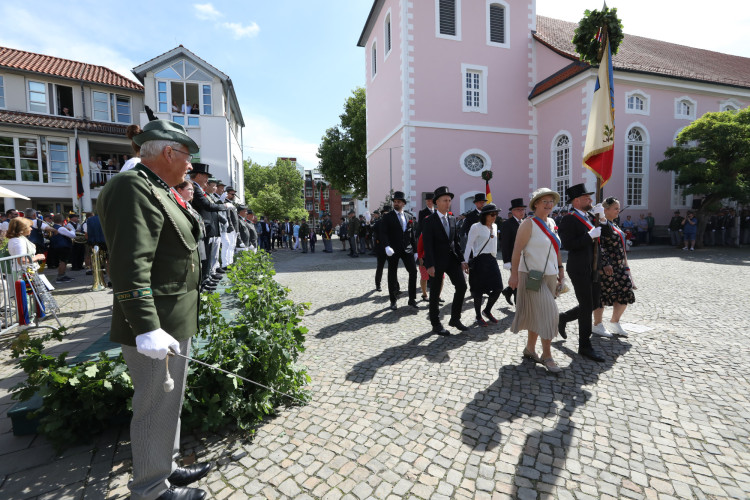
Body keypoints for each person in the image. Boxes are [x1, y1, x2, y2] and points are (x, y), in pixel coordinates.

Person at [99, 119, 210, 500]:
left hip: (172, 320)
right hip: (155, 325)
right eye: (187, 158)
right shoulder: (134, 187)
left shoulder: (157, 189)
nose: (189, 166)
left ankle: (165, 466)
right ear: (168, 152)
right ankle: (150, 490)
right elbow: (131, 263)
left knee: (168, 402)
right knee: (153, 406)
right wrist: (146, 325)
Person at [508, 188, 565, 373]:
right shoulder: (528, 224)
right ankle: (546, 355)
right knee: (549, 313)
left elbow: (555, 250)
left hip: (549, 275)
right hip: (532, 276)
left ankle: (530, 349)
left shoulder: (552, 222)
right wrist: (514, 275)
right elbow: (516, 251)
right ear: (536, 204)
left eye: (551, 201)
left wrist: (561, 271)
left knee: (538, 313)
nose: (549, 205)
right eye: (545, 202)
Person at [557, 183, 606, 362]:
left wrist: (602, 220)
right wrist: (589, 236)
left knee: (594, 303)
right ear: (576, 201)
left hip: (593, 266)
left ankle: (563, 317)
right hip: (579, 268)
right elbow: (568, 244)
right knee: (587, 306)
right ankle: (584, 345)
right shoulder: (569, 219)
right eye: (587, 198)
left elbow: (605, 235)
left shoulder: (590, 216)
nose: (591, 200)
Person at [422, 186, 469, 335]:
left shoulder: (452, 218)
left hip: (452, 260)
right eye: (445, 200)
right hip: (436, 262)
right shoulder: (429, 220)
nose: (448, 203)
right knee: (435, 293)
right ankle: (435, 323)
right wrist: (429, 264)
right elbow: (427, 244)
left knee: (462, 286)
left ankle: (455, 318)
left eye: (449, 200)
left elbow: (456, 242)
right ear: (437, 202)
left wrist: (462, 260)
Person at [592, 197, 636, 337]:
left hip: (620, 266)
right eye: (616, 208)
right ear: (606, 210)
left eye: (618, 208)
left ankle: (615, 322)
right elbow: (599, 246)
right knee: (602, 296)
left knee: (625, 293)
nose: (618, 210)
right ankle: (597, 325)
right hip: (607, 268)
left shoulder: (615, 224)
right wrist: (605, 263)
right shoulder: (601, 225)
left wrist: (627, 268)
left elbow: (622, 249)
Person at [464, 203, 503, 327]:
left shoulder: (495, 226)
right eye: (492, 214)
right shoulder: (476, 227)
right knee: (478, 291)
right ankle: (478, 316)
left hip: (492, 259)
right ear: (485, 215)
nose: (494, 216)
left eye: (496, 214)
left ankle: (486, 310)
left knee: (498, 288)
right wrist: (465, 262)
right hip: (480, 260)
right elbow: (469, 245)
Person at [381, 192, 418, 310]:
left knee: (413, 272)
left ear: (403, 203)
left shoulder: (409, 216)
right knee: (392, 274)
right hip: (393, 249)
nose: (396, 203)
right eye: (394, 202)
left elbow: (412, 234)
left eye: (398, 202)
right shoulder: (387, 216)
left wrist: (416, 250)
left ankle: (412, 299)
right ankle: (393, 300)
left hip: (407, 249)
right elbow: (383, 233)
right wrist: (387, 246)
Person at [500, 198, 527, 305]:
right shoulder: (508, 224)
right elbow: (505, 244)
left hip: (526, 258)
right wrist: (507, 261)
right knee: (518, 283)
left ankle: (508, 291)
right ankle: (519, 306)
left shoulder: (525, 222)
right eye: (519, 210)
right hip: (514, 258)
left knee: (523, 281)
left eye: (523, 209)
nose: (522, 212)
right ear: (513, 211)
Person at [49, 214, 76, 283]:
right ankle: (60, 277)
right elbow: (73, 235)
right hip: (63, 246)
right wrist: (71, 230)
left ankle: (62, 275)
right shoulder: (61, 228)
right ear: (62, 220)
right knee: (63, 262)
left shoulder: (53, 227)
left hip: (57, 246)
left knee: (62, 262)